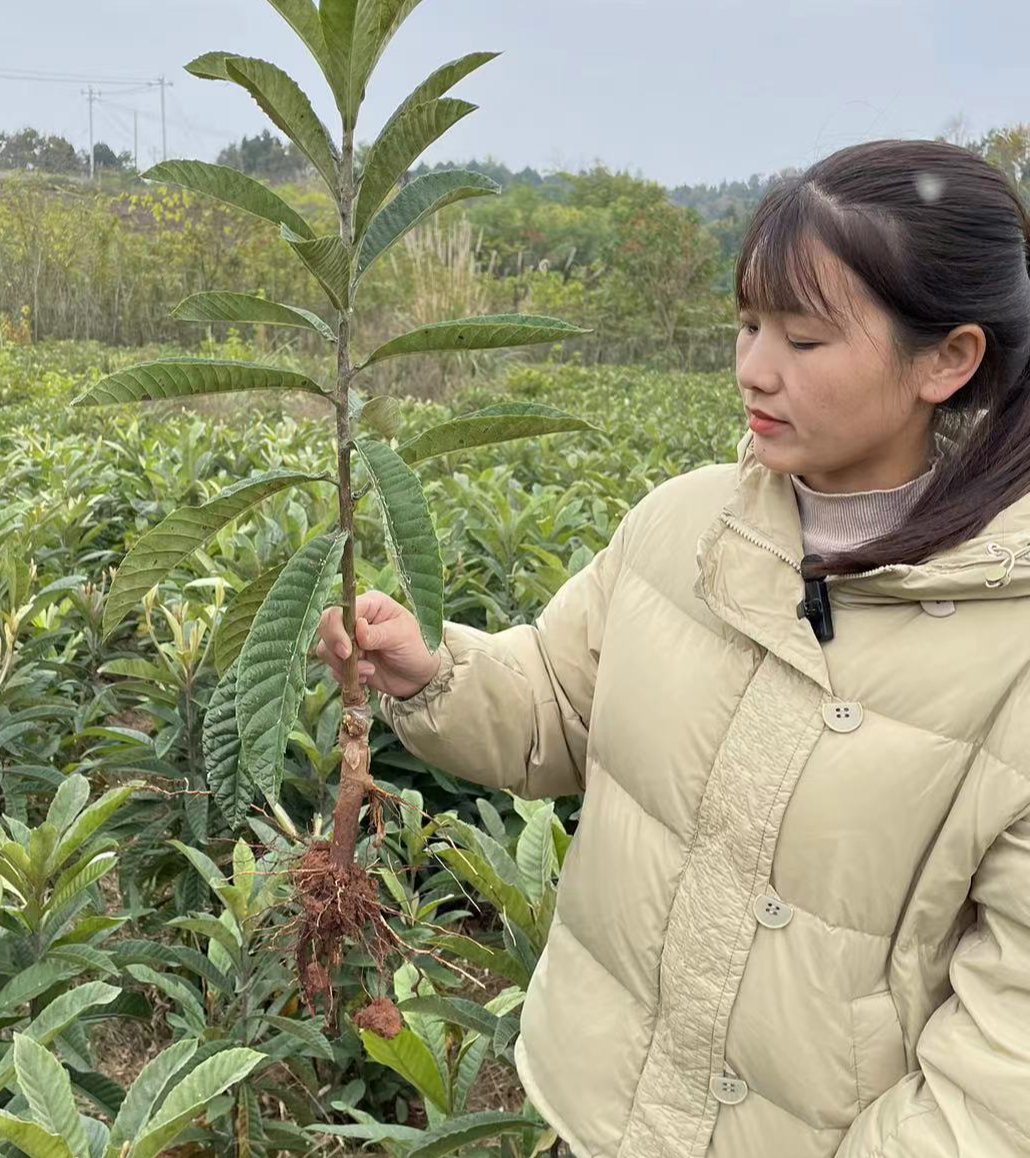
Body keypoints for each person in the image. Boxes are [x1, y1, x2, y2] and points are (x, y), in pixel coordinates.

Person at [314, 138, 1030, 1158]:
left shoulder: (1012, 648)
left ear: (946, 359)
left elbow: (1003, 1070)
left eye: (804, 338)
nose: (752, 368)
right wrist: (438, 673)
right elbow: (556, 705)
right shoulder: (682, 527)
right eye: (745, 325)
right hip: (596, 1116)